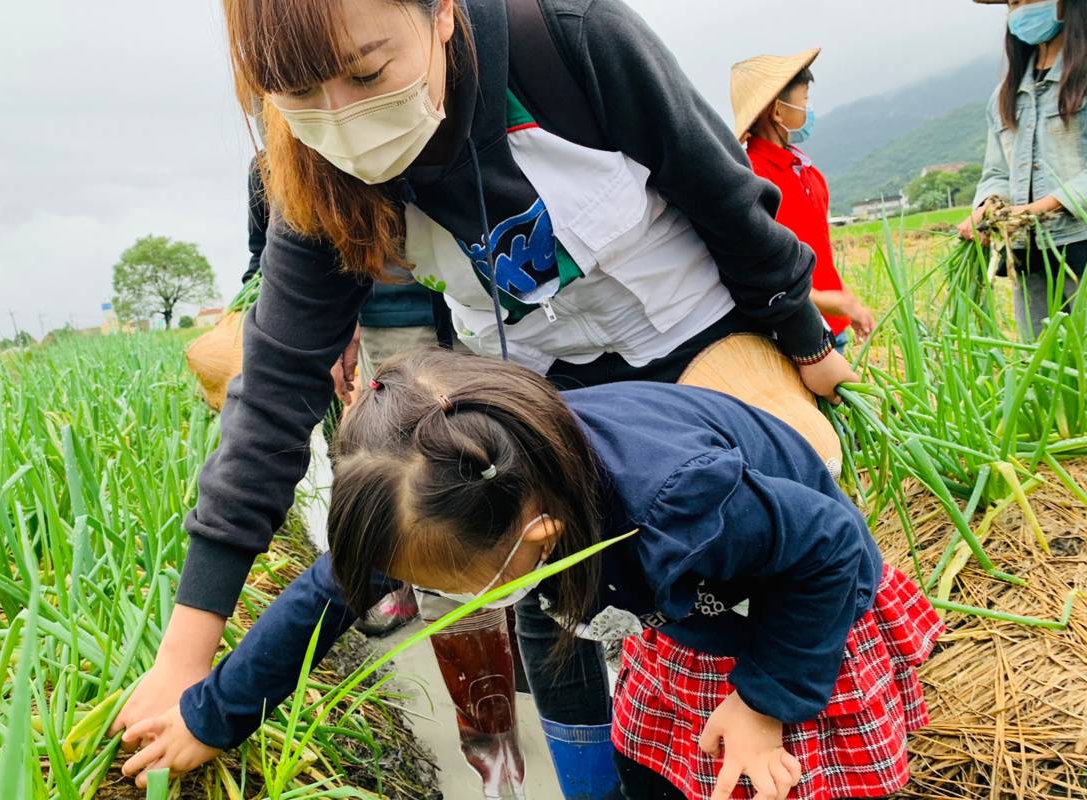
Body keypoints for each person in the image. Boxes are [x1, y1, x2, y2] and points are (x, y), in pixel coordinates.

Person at [112, 0, 859, 792]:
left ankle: (780, 731)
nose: (344, 116)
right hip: (533, 384)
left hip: (698, 339)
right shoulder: (314, 170)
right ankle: (592, 780)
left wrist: (804, 340)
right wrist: (187, 675)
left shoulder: (568, 39)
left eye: (368, 71)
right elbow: (272, 401)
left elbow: (723, 195)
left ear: (440, 14)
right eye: (296, 96)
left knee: (742, 554)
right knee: (545, 591)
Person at [119, 348, 943, 800]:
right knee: (656, 766)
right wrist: (213, 714)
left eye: (452, 586)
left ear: (539, 538)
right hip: (681, 609)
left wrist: (765, 704)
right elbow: (327, 593)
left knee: (771, 777)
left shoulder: (678, 506)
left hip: (801, 604)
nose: (436, 602)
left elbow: (830, 548)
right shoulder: (452, 480)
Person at [249, 153, 437, 636]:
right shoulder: (270, 169)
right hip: (376, 322)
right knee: (381, 453)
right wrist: (334, 324)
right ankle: (406, 581)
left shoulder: (392, 133)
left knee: (439, 449)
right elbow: (263, 260)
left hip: (450, 306)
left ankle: (464, 586)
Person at [733, 49, 875, 355]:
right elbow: (765, 274)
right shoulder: (754, 181)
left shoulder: (808, 173)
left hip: (833, 328)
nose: (809, 110)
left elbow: (821, 253)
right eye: (805, 101)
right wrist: (831, 301)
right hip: (796, 336)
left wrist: (847, 301)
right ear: (777, 112)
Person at [962, 0, 1087, 338]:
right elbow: (996, 172)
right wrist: (987, 210)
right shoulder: (1005, 95)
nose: (1020, 10)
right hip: (1028, 252)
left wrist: (1041, 207)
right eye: (1014, 3)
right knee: (1042, 358)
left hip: (1080, 243)